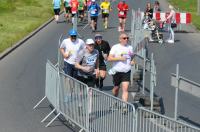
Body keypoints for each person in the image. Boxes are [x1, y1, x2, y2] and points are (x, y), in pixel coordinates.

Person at [107, 33, 135, 107]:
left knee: (125, 89)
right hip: (117, 71)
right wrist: (120, 58)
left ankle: (124, 106)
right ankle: (114, 99)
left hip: (126, 71)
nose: (126, 39)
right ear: (120, 39)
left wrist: (132, 61)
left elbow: (132, 57)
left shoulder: (130, 47)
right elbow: (109, 58)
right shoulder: (115, 47)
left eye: (127, 38)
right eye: (124, 38)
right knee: (116, 88)